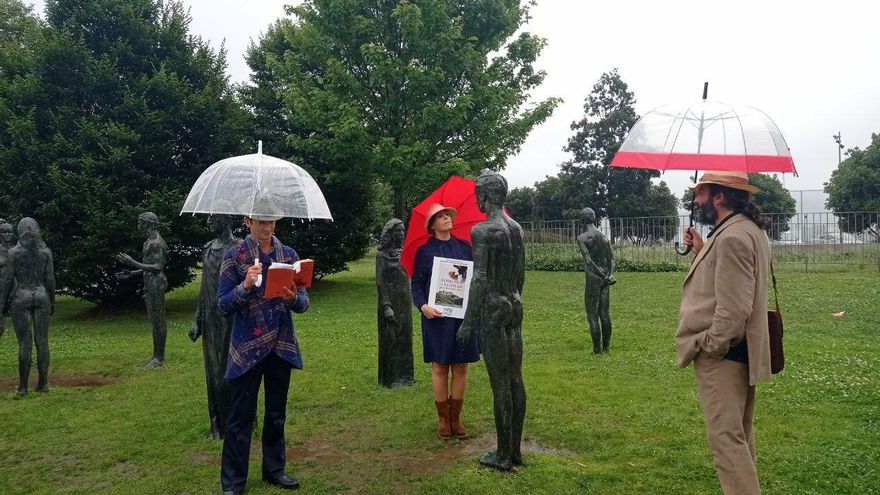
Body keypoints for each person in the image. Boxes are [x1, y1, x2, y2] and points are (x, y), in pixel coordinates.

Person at [677, 171, 772, 495]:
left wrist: (710, 345)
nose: (696, 200)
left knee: (726, 443)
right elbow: (729, 281)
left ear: (719, 197)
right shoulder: (746, 230)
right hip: (743, 351)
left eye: (701, 193)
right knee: (739, 437)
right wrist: (701, 249)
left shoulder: (732, 236)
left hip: (725, 356)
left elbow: (733, 310)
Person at [217, 211, 309, 495]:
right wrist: (245, 286)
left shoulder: (289, 254)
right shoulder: (235, 256)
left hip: (280, 344)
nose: (266, 227)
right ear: (248, 222)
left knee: (276, 413)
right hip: (247, 346)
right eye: (260, 221)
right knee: (240, 416)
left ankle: (274, 469)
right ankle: (233, 482)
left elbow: (304, 303)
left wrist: (293, 297)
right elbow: (221, 305)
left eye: (271, 221)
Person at [457, 171, 526, 471]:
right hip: (514, 304)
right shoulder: (516, 229)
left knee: (500, 383)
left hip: (493, 309)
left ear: (486, 195)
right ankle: (515, 450)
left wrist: (468, 321)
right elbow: (521, 273)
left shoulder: (482, 231)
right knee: (515, 379)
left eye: (477, 194)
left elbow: (480, 279)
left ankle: (502, 455)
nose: (476, 199)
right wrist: (513, 297)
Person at [411, 203, 479, 438]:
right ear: (432, 225)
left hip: (462, 317)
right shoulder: (425, 252)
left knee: (461, 366)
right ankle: (442, 419)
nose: (446, 218)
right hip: (436, 318)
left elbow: (474, 279)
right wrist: (423, 306)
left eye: (447, 215)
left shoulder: (465, 247)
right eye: (439, 217)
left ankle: (455, 417)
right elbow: (417, 285)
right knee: (440, 366)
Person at [189, 214, 240, 440]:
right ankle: (217, 423)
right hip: (210, 319)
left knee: (230, 371)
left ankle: (237, 421)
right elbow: (203, 287)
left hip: (232, 316)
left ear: (225, 220)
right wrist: (197, 320)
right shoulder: (208, 248)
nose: (208, 222)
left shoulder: (239, 247)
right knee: (212, 370)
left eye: (213, 218)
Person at [0, 218, 55, 396]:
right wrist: (52, 301)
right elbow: (50, 280)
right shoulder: (46, 252)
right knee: (42, 341)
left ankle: (23, 387)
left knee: (25, 343)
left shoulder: (14, 253)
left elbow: (8, 280)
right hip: (41, 295)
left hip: (21, 296)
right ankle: (43, 384)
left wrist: (2, 304)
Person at [116, 212, 167, 368]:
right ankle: (156, 356)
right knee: (154, 320)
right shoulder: (148, 242)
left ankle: (159, 357)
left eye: (141, 222)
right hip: (150, 282)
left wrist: (133, 263)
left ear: (149, 224)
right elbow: (149, 266)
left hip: (156, 283)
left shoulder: (156, 242)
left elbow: (158, 267)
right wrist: (132, 273)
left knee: (158, 320)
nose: (138, 225)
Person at [376, 218, 415, 388]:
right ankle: (391, 378)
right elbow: (381, 282)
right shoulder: (381, 257)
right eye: (398, 231)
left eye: (403, 231)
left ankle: (406, 376)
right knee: (391, 339)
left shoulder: (404, 253)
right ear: (390, 233)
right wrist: (386, 306)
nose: (401, 234)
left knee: (405, 337)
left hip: (405, 302)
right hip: (390, 302)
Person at [576, 207, 616, 354]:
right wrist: (609, 275)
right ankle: (606, 348)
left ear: (583, 220)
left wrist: (601, 275)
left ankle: (597, 350)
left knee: (592, 314)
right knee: (604, 314)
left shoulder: (582, 238)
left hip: (594, 279)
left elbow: (588, 261)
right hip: (605, 278)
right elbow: (611, 259)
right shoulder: (603, 236)